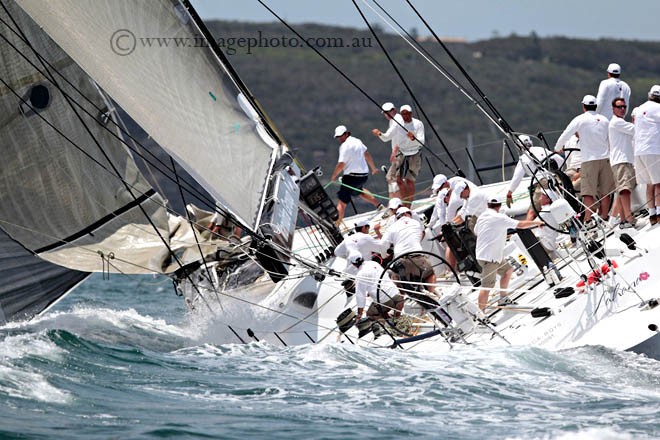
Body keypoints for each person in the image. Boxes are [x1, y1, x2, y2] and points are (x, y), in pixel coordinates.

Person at [474, 198, 544, 311]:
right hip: (490, 258)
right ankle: (480, 315)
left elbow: (477, 231)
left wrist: (497, 234)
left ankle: (503, 298)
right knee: (486, 287)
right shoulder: (499, 217)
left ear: (488, 205)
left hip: (489, 255)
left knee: (508, 271)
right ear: (499, 206)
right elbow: (520, 225)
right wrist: (537, 222)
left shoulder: (483, 216)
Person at [554, 95, 614, 225]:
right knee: (605, 192)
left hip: (589, 160)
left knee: (588, 192)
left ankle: (589, 218)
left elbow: (566, 133)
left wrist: (557, 148)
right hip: (605, 159)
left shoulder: (579, 119)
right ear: (595, 106)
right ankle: (604, 217)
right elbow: (611, 139)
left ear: (583, 106)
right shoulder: (604, 120)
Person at [373, 206, 436, 294]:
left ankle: (403, 298)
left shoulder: (392, 227)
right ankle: (432, 294)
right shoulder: (416, 223)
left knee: (397, 281)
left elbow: (383, 244)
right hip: (417, 257)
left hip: (400, 261)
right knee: (430, 273)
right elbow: (421, 234)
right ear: (407, 214)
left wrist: (384, 255)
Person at [330, 125, 381, 224]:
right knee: (359, 191)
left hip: (351, 177)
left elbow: (341, 164)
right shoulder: (357, 141)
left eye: (341, 136)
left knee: (342, 202)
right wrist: (373, 168)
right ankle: (379, 206)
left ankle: (336, 226)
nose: (340, 138)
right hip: (363, 176)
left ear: (346, 134)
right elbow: (367, 154)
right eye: (338, 137)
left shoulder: (344, 146)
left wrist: (333, 177)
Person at [506, 135, 564, 219]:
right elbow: (560, 160)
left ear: (519, 146)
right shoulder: (541, 149)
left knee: (532, 212)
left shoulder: (523, 159)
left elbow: (517, 178)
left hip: (542, 184)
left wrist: (509, 193)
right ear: (530, 142)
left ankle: (527, 228)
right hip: (556, 178)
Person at [631, 85, 660, 226]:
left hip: (639, 152)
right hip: (653, 150)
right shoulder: (658, 108)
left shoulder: (639, 109)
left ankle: (652, 214)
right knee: (659, 183)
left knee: (650, 184)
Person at [348, 251, 405, 322]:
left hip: (386, 302)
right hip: (398, 297)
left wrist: (359, 315)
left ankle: (390, 321)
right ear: (362, 258)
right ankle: (396, 318)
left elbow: (360, 297)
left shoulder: (360, 275)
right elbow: (382, 276)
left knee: (369, 315)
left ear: (353, 264)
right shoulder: (374, 263)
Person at [608, 97, 636, 228]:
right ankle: (629, 217)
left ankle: (623, 219)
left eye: (624, 107)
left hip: (624, 160)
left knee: (621, 191)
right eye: (619, 107)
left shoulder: (620, 123)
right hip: (621, 160)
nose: (623, 109)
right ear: (613, 109)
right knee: (625, 190)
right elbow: (636, 129)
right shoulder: (617, 123)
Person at [390, 105, 425, 206]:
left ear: (411, 113)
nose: (406, 115)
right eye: (403, 113)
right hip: (402, 153)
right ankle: (404, 202)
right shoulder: (399, 125)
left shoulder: (418, 124)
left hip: (415, 154)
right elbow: (397, 140)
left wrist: (413, 138)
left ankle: (408, 205)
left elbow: (421, 142)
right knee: (398, 180)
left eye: (407, 113)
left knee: (410, 181)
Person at [372, 102, 405, 199]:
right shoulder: (394, 120)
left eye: (388, 112)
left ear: (394, 110)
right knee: (391, 178)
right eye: (385, 113)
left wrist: (378, 133)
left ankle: (398, 202)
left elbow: (386, 138)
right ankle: (395, 202)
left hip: (401, 153)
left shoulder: (397, 121)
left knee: (392, 178)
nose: (386, 115)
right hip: (398, 153)